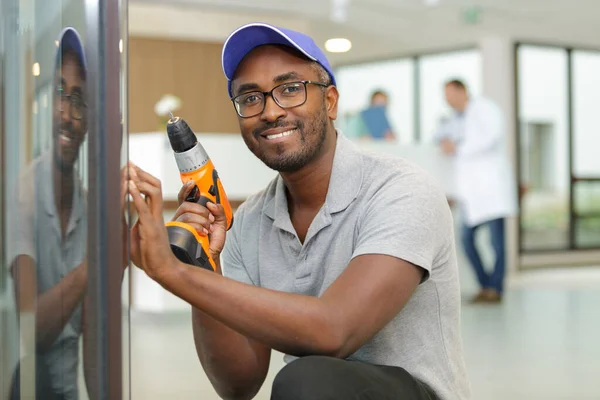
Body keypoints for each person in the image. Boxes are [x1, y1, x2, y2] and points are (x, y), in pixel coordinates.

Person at [126, 23, 471, 400]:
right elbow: (238, 384)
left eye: (290, 89)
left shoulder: (401, 189)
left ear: (331, 102)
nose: (270, 111)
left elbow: (334, 330)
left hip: (412, 393)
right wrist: (202, 266)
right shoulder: (250, 223)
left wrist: (170, 271)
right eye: (251, 98)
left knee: (306, 380)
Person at [8, 27, 127, 399]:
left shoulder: (89, 207)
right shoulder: (25, 191)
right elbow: (30, 331)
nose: (66, 113)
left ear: (92, 121)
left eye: (79, 100)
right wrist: (95, 265)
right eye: (60, 92)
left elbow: (94, 342)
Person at [438, 79, 518, 303]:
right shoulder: (455, 119)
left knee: (496, 244)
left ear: (462, 90)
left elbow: (491, 137)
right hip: (471, 193)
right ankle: (486, 285)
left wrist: (459, 147)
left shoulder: (485, 108)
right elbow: (441, 139)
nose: (447, 100)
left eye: (450, 94)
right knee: (466, 240)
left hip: (492, 190)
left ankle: (496, 289)